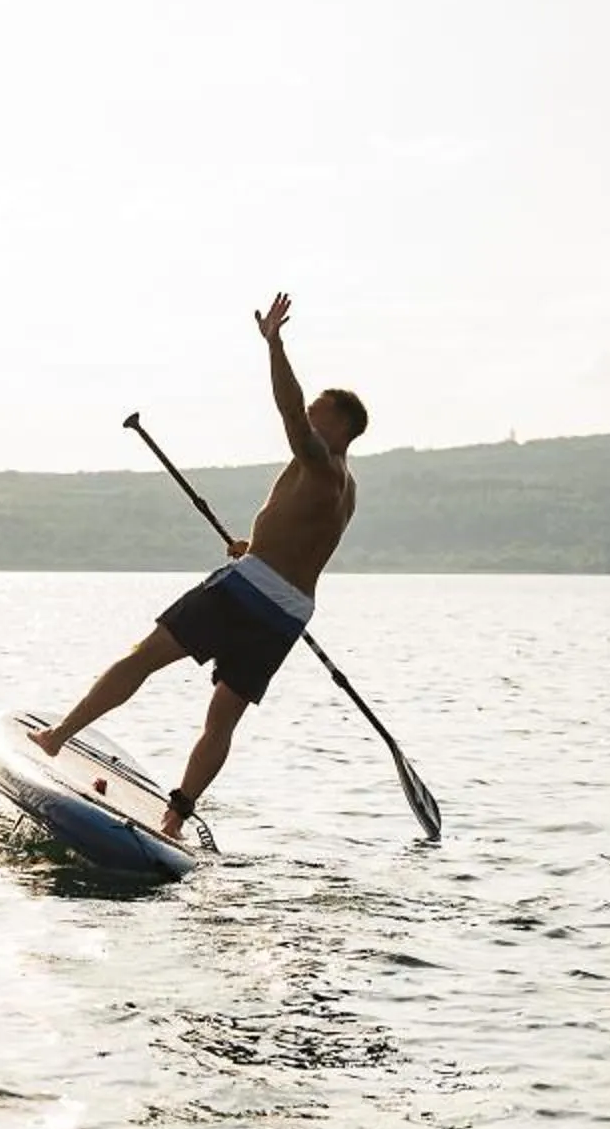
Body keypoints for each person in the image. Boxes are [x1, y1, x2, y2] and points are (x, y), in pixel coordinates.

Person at [31, 292, 368, 837]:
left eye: (315, 415)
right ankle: (175, 818)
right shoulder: (346, 488)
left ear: (338, 427)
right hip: (288, 610)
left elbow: (287, 406)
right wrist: (255, 548)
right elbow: (300, 542)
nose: (305, 418)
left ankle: (58, 735)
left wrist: (275, 346)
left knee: (143, 657)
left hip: (249, 591)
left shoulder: (320, 461)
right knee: (223, 718)